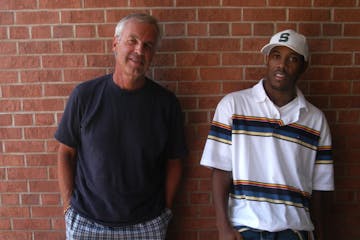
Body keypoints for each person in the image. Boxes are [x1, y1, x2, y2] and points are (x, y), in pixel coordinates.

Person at [55, 13, 187, 240]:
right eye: (132, 41)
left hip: (146, 226)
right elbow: (65, 152)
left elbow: (175, 161)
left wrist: (164, 211)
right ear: (115, 44)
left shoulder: (166, 104)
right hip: (87, 224)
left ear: (153, 53)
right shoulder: (85, 96)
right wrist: (68, 209)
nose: (139, 50)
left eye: (147, 45)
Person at [200, 29, 334, 240]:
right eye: (276, 56)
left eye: (292, 59)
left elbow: (320, 189)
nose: (281, 65)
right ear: (267, 60)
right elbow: (221, 172)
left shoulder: (316, 120)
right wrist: (223, 228)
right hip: (245, 230)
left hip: (294, 231)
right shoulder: (234, 105)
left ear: (303, 67)